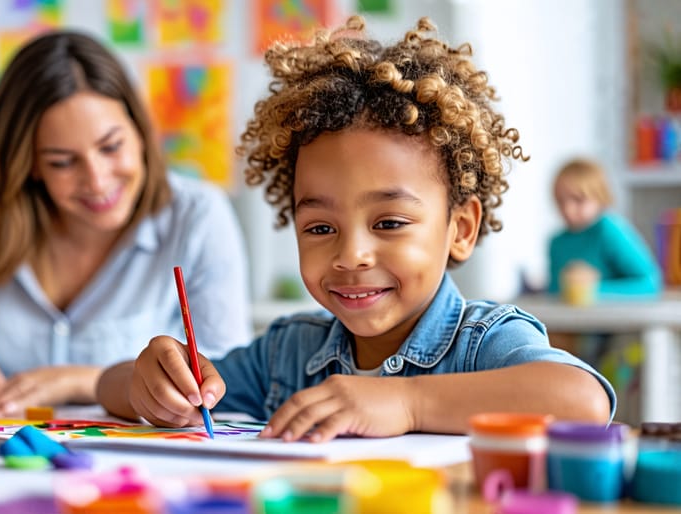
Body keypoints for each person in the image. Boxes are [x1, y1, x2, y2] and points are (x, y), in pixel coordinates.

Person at [97, 16, 615, 441]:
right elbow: (110, 387)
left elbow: (582, 400)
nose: (352, 255)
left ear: (460, 228)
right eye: (321, 227)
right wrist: (152, 380)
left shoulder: (483, 343)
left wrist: (406, 403)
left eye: (388, 222)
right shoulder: (289, 353)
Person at [0, 31, 252, 416]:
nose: (97, 181)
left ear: (140, 132)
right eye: (62, 162)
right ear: (27, 163)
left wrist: (82, 380)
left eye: (111, 146)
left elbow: (228, 370)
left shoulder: (197, 216)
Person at [548, 157, 663, 299]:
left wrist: (593, 289)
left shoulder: (609, 231)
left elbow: (651, 283)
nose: (568, 209)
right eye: (560, 200)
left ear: (600, 197)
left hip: (616, 319)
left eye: (578, 199)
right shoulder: (557, 243)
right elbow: (554, 293)